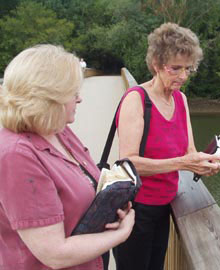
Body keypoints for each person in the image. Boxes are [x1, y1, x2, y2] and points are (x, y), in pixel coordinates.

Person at [0, 44, 135, 270]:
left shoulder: (57, 129)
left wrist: (111, 207)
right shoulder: (16, 156)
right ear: (50, 98)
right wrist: (121, 234)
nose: (80, 99)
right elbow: (54, 254)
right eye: (73, 93)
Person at [113, 22, 220, 270]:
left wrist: (204, 163)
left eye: (188, 68)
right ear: (156, 64)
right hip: (134, 209)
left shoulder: (180, 99)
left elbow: (189, 152)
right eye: (175, 68)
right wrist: (183, 163)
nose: (183, 76)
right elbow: (128, 162)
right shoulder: (136, 99)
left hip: (165, 206)